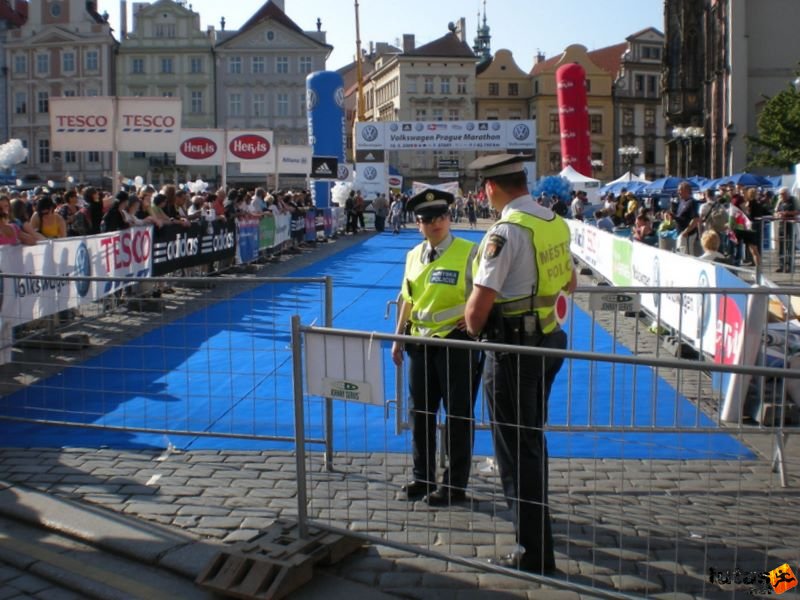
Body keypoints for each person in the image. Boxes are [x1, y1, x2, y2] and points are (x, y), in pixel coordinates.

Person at [464, 153, 576, 575]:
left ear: (491, 187)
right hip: (548, 342)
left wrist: (471, 323)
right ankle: (536, 538)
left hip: (512, 352)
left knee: (516, 451)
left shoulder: (505, 232)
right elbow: (571, 281)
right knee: (530, 440)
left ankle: (534, 552)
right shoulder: (552, 222)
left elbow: (477, 313)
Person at [391, 189, 481, 506]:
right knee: (420, 413)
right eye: (427, 219)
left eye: (440, 216)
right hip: (420, 342)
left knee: (458, 415)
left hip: (457, 344)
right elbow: (408, 298)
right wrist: (398, 335)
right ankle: (423, 477)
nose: (435, 223)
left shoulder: (471, 251)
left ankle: (455, 485)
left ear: (449, 217)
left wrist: (474, 320)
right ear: (418, 224)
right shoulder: (413, 255)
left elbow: (488, 292)